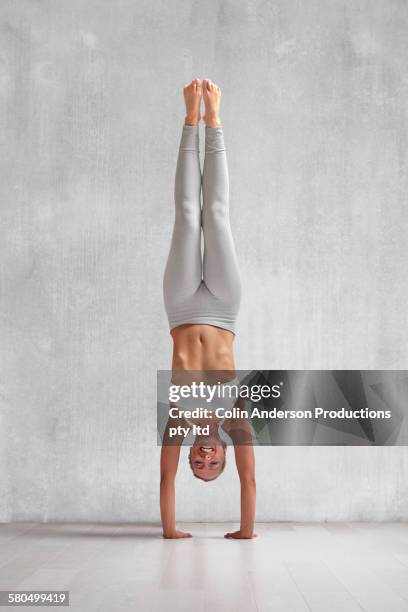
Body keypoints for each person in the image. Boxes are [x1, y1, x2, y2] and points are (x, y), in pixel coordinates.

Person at [160, 79, 256, 539]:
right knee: (215, 215)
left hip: (179, 309)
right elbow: (251, 480)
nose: (204, 458)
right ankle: (213, 120)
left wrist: (170, 531)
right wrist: (246, 530)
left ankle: (189, 119)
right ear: (222, 455)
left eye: (198, 465)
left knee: (186, 214)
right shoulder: (236, 419)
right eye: (213, 463)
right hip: (223, 310)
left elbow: (164, 479)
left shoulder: (177, 419)